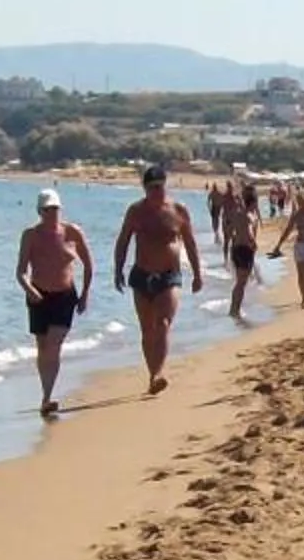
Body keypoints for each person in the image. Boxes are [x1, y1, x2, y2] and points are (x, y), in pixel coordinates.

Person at [112, 164, 203, 395]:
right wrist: (118, 270)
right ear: (144, 188)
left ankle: (157, 374)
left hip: (169, 276)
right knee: (147, 330)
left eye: (160, 187)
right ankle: (152, 374)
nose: (157, 192)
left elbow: (190, 243)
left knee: (162, 324)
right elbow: (123, 241)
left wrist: (197, 273)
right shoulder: (136, 212)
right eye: (152, 188)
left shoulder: (178, 210)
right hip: (141, 275)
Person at [16, 188, 95, 418]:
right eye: (47, 210)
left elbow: (89, 265)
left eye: (55, 209)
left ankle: (47, 397)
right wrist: (29, 289)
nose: (52, 214)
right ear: (39, 211)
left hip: (64, 296)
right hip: (38, 295)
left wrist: (85, 294)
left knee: (54, 344)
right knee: (43, 347)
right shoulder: (30, 235)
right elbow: (20, 271)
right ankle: (46, 396)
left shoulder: (72, 232)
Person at [219, 179, 261, 321]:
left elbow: (230, 230)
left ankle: (234, 308)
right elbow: (249, 231)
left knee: (240, 281)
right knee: (241, 283)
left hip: (236, 248)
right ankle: (234, 310)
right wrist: (253, 243)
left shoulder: (238, 213)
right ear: (254, 202)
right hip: (245, 249)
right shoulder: (249, 216)